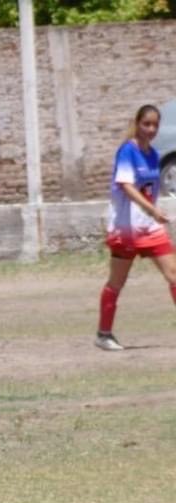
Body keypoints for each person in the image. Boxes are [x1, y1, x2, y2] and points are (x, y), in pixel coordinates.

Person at [95, 104, 176, 351]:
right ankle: (103, 334)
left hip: (150, 228)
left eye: (155, 125)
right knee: (116, 282)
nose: (151, 129)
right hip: (125, 228)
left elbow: (149, 190)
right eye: (146, 124)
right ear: (137, 124)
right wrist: (152, 209)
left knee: (173, 274)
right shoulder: (127, 151)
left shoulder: (153, 154)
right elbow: (127, 187)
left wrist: (153, 213)